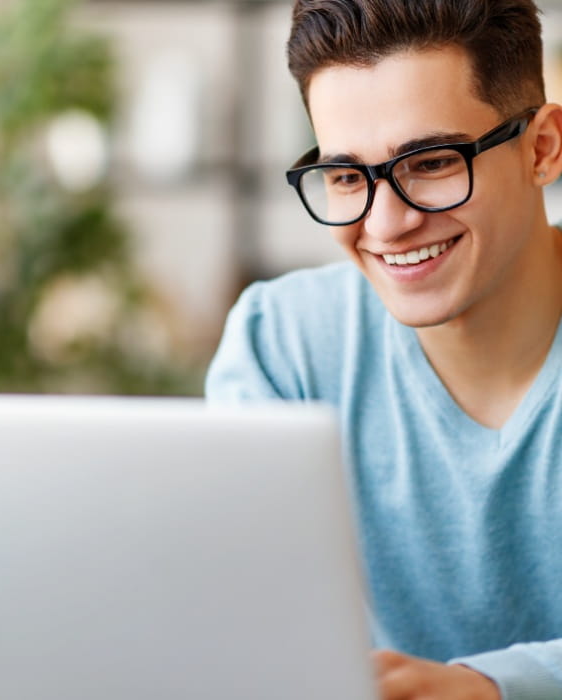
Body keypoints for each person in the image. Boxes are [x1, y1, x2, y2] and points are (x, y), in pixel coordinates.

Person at [206, 0, 562, 697]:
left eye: (430, 162)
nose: (386, 223)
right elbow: (230, 614)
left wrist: (491, 688)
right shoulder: (281, 344)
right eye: (346, 176)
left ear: (543, 148)